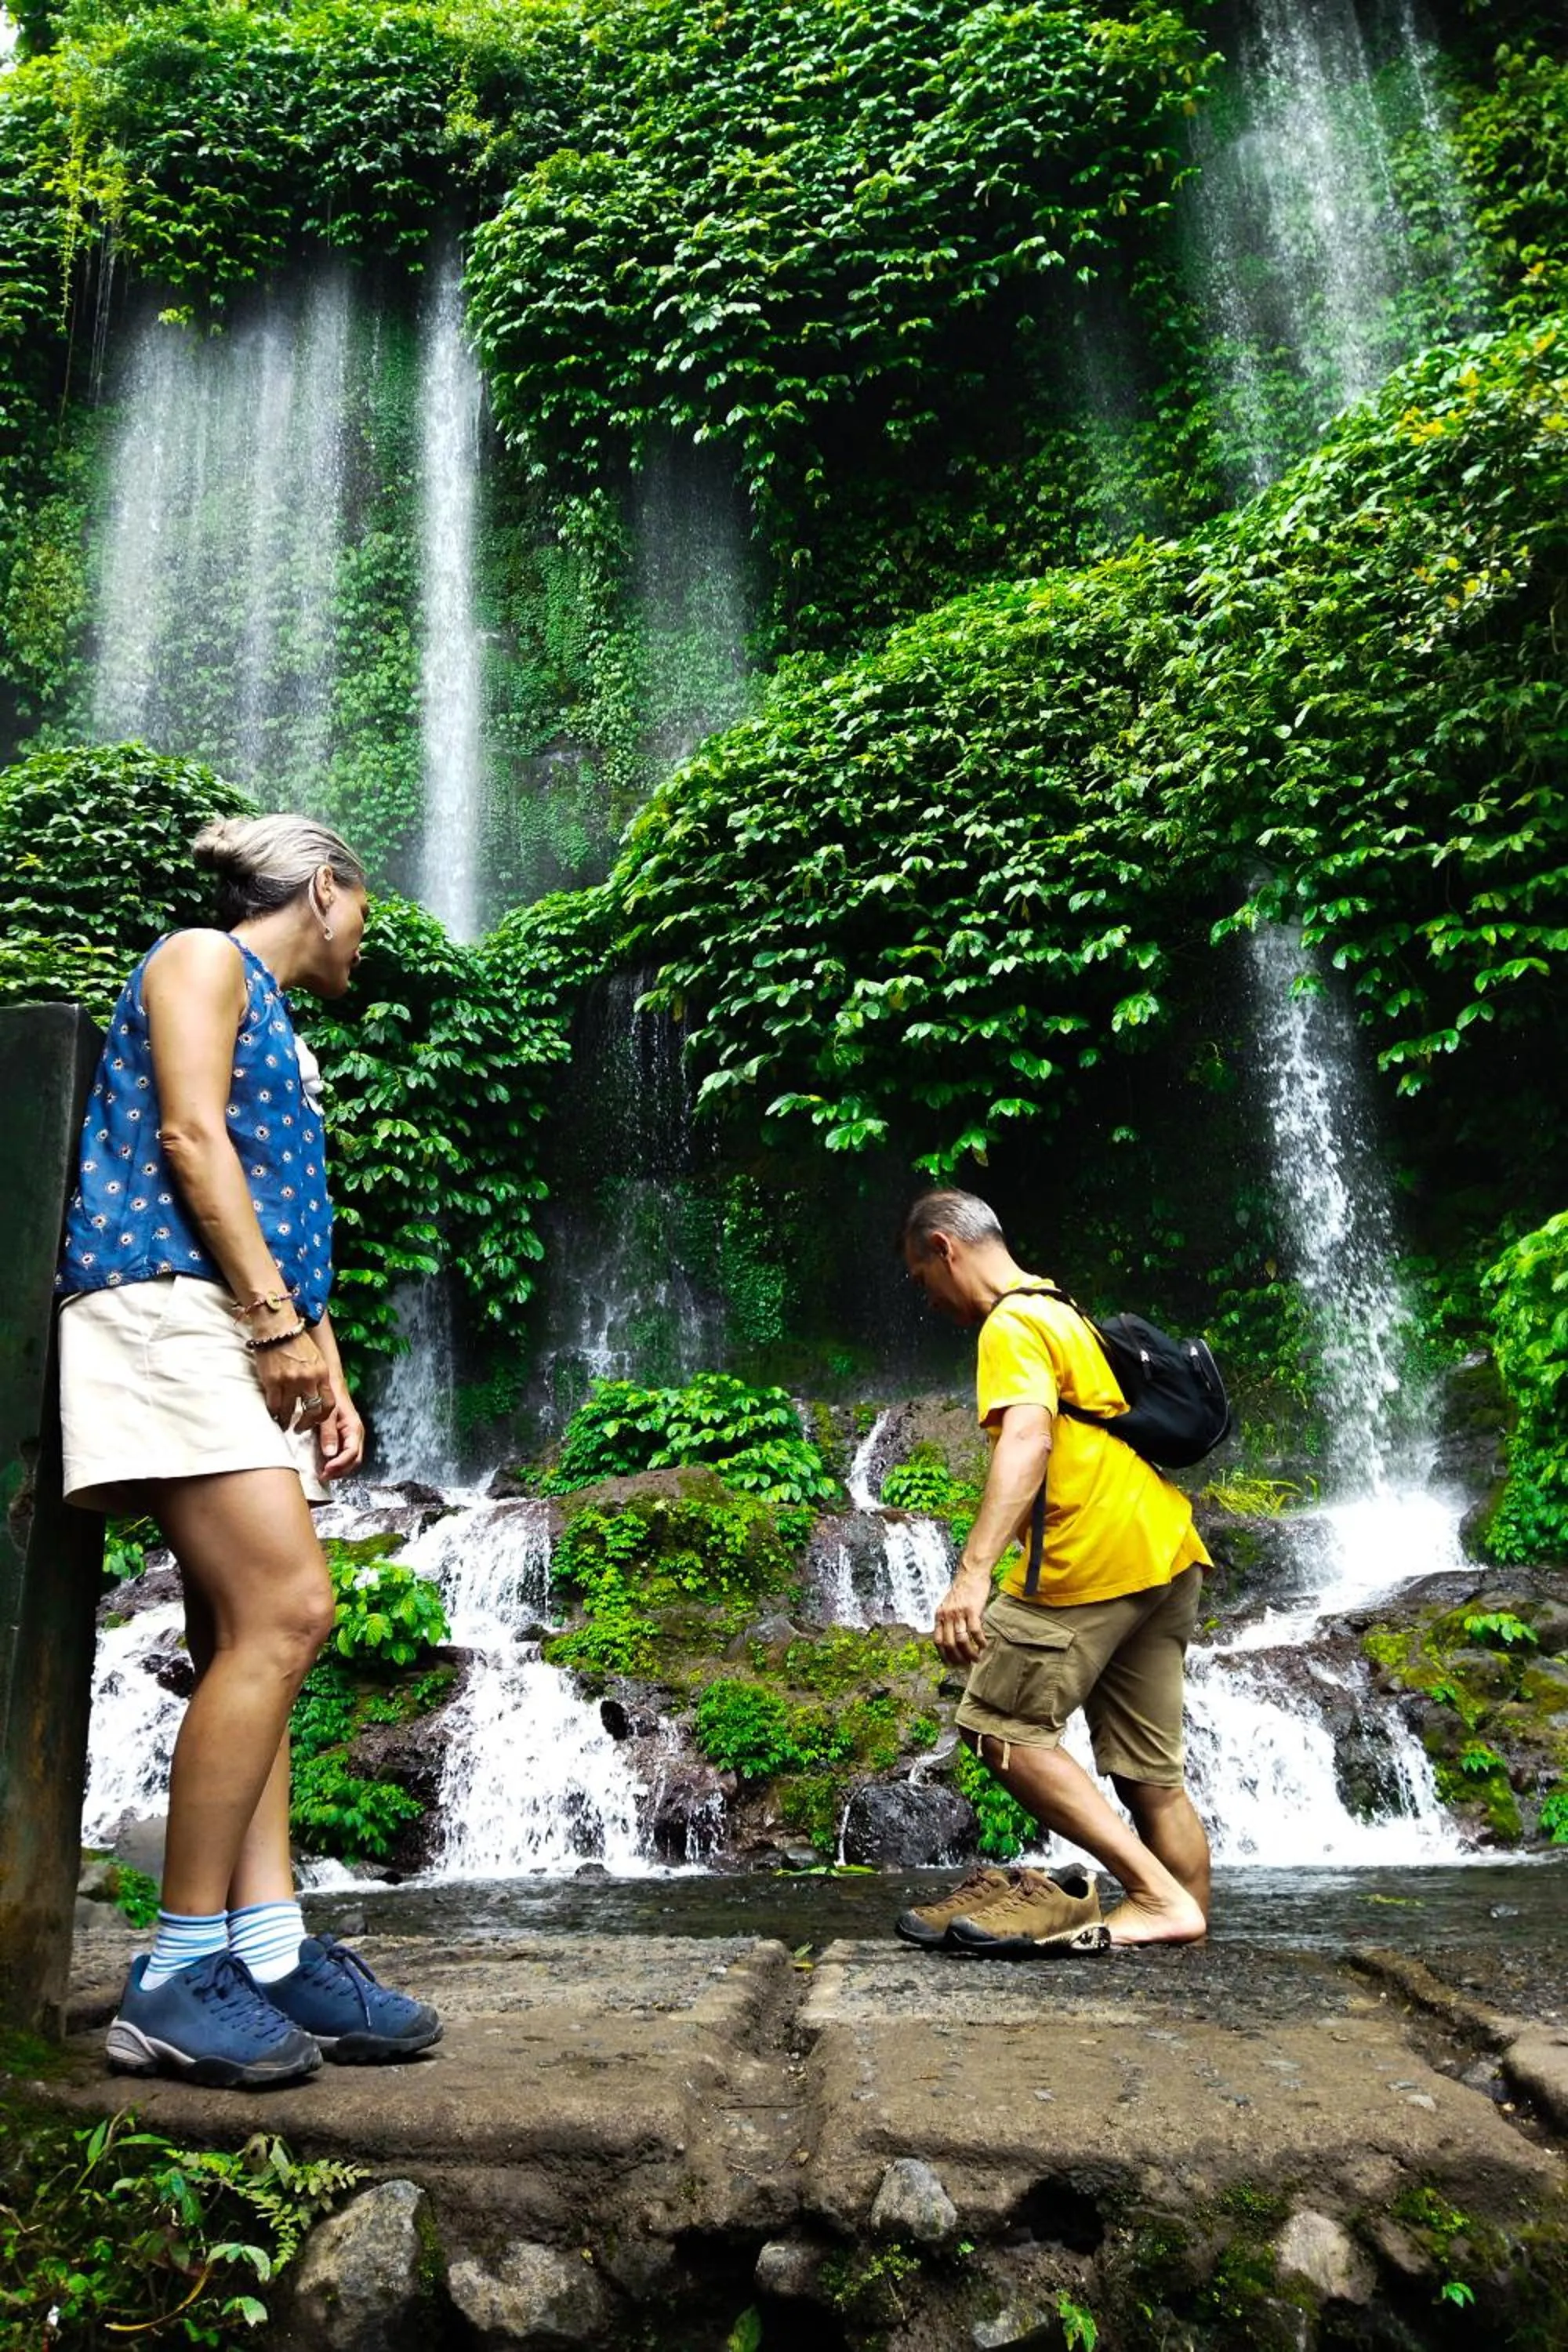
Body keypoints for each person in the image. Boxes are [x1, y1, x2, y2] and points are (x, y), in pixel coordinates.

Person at [56, 815, 441, 2085]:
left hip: (232, 1315)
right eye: (364, 912)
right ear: (327, 888)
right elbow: (190, 1141)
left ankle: (266, 1947)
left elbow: (270, 1199)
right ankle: (174, 1975)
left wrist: (314, 1346)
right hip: (166, 1307)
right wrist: (275, 1321)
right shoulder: (201, 961)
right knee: (289, 1611)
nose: (365, 943)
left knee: (245, 1636)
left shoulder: (278, 1022)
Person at [895, 1189, 1210, 1951]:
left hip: (1087, 1556)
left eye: (918, 1278)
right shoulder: (1057, 1307)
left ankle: (1153, 1899)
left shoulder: (1009, 1322)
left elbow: (1027, 1441)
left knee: (1000, 1728)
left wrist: (972, 1575)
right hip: (1162, 1550)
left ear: (945, 1249)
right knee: (1149, 1779)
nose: (927, 1300)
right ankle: (1184, 1935)